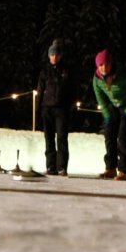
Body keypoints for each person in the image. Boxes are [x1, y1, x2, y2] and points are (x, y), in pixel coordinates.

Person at [92, 49, 126, 181]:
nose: (104, 68)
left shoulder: (123, 76)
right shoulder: (97, 79)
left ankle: (124, 171)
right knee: (109, 134)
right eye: (101, 65)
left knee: (123, 136)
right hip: (113, 107)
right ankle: (110, 168)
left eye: (107, 64)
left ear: (111, 64)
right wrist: (107, 114)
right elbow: (101, 98)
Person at [35, 38, 76, 175]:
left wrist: (71, 107)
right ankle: (51, 167)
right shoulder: (45, 71)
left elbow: (72, 90)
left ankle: (62, 167)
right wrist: (38, 109)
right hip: (47, 108)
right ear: (49, 56)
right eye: (52, 54)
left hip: (61, 109)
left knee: (62, 137)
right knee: (49, 138)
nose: (54, 57)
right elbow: (40, 91)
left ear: (60, 55)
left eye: (56, 54)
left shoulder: (67, 70)